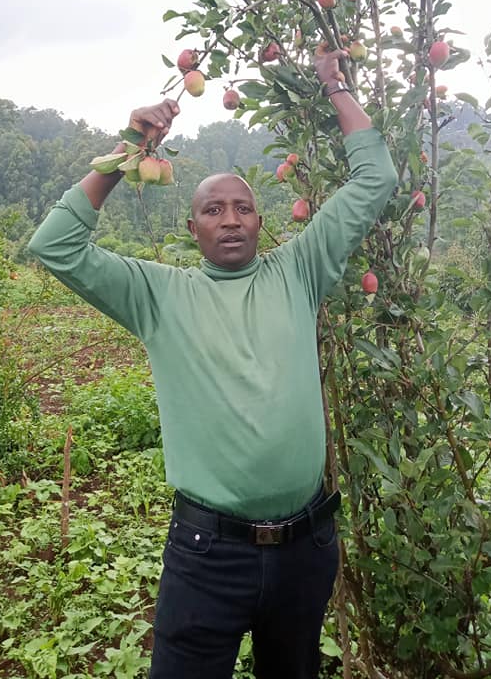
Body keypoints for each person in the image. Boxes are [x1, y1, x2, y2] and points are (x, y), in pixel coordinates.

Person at [28, 50, 397, 679]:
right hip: (208, 557)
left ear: (261, 221)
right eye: (213, 210)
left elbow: (376, 181)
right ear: (192, 225)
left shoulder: (299, 271)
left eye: (243, 208)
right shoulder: (158, 294)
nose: (230, 219)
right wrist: (126, 153)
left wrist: (333, 83)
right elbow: (54, 245)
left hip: (306, 547)